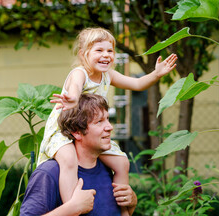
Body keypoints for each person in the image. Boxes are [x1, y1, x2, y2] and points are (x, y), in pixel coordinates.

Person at [37, 27, 177, 215]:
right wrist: (72, 98)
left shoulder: (108, 75)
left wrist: (156, 74)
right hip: (64, 130)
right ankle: (74, 207)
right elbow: (75, 88)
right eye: (99, 50)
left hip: (90, 132)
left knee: (122, 163)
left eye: (110, 50)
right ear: (83, 54)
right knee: (69, 160)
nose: (106, 55)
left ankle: (123, 211)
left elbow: (136, 84)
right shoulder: (80, 73)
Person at [20, 94, 137, 215]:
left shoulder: (109, 168)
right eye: (99, 121)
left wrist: (131, 203)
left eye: (107, 119)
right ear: (77, 132)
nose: (109, 127)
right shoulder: (50, 173)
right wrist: (72, 208)